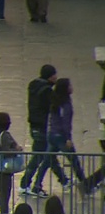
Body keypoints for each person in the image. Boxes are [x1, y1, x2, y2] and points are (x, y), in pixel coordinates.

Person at [19, 65, 66, 197]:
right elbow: (56, 106)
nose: (56, 77)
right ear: (50, 76)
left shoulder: (34, 86)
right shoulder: (47, 91)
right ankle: (25, 184)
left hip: (34, 126)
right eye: (54, 75)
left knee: (48, 154)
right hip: (42, 128)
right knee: (40, 157)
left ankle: (63, 179)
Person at [34, 78, 86, 194]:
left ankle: (36, 184)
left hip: (51, 134)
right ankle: (85, 185)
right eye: (69, 85)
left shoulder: (55, 101)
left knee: (47, 161)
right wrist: (68, 138)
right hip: (61, 137)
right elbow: (66, 123)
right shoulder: (65, 104)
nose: (72, 87)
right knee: (74, 161)